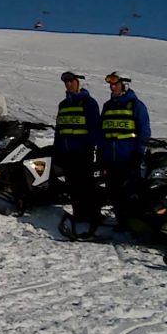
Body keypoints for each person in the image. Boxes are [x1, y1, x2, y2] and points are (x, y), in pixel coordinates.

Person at [99, 71, 151, 226]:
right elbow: (102, 131)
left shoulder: (136, 106)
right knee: (113, 191)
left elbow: (144, 131)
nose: (112, 87)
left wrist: (138, 154)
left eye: (115, 84)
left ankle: (131, 223)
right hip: (110, 158)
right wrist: (100, 151)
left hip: (127, 158)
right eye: (111, 84)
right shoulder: (107, 106)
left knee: (128, 192)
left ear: (124, 85)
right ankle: (121, 221)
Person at [53, 71, 102, 229]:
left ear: (79, 82)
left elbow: (94, 128)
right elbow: (59, 130)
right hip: (66, 153)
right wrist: (57, 149)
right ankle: (79, 214)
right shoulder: (63, 104)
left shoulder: (89, 103)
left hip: (82, 153)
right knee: (72, 186)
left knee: (86, 185)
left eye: (71, 81)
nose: (68, 84)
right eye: (66, 82)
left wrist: (89, 147)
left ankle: (93, 215)